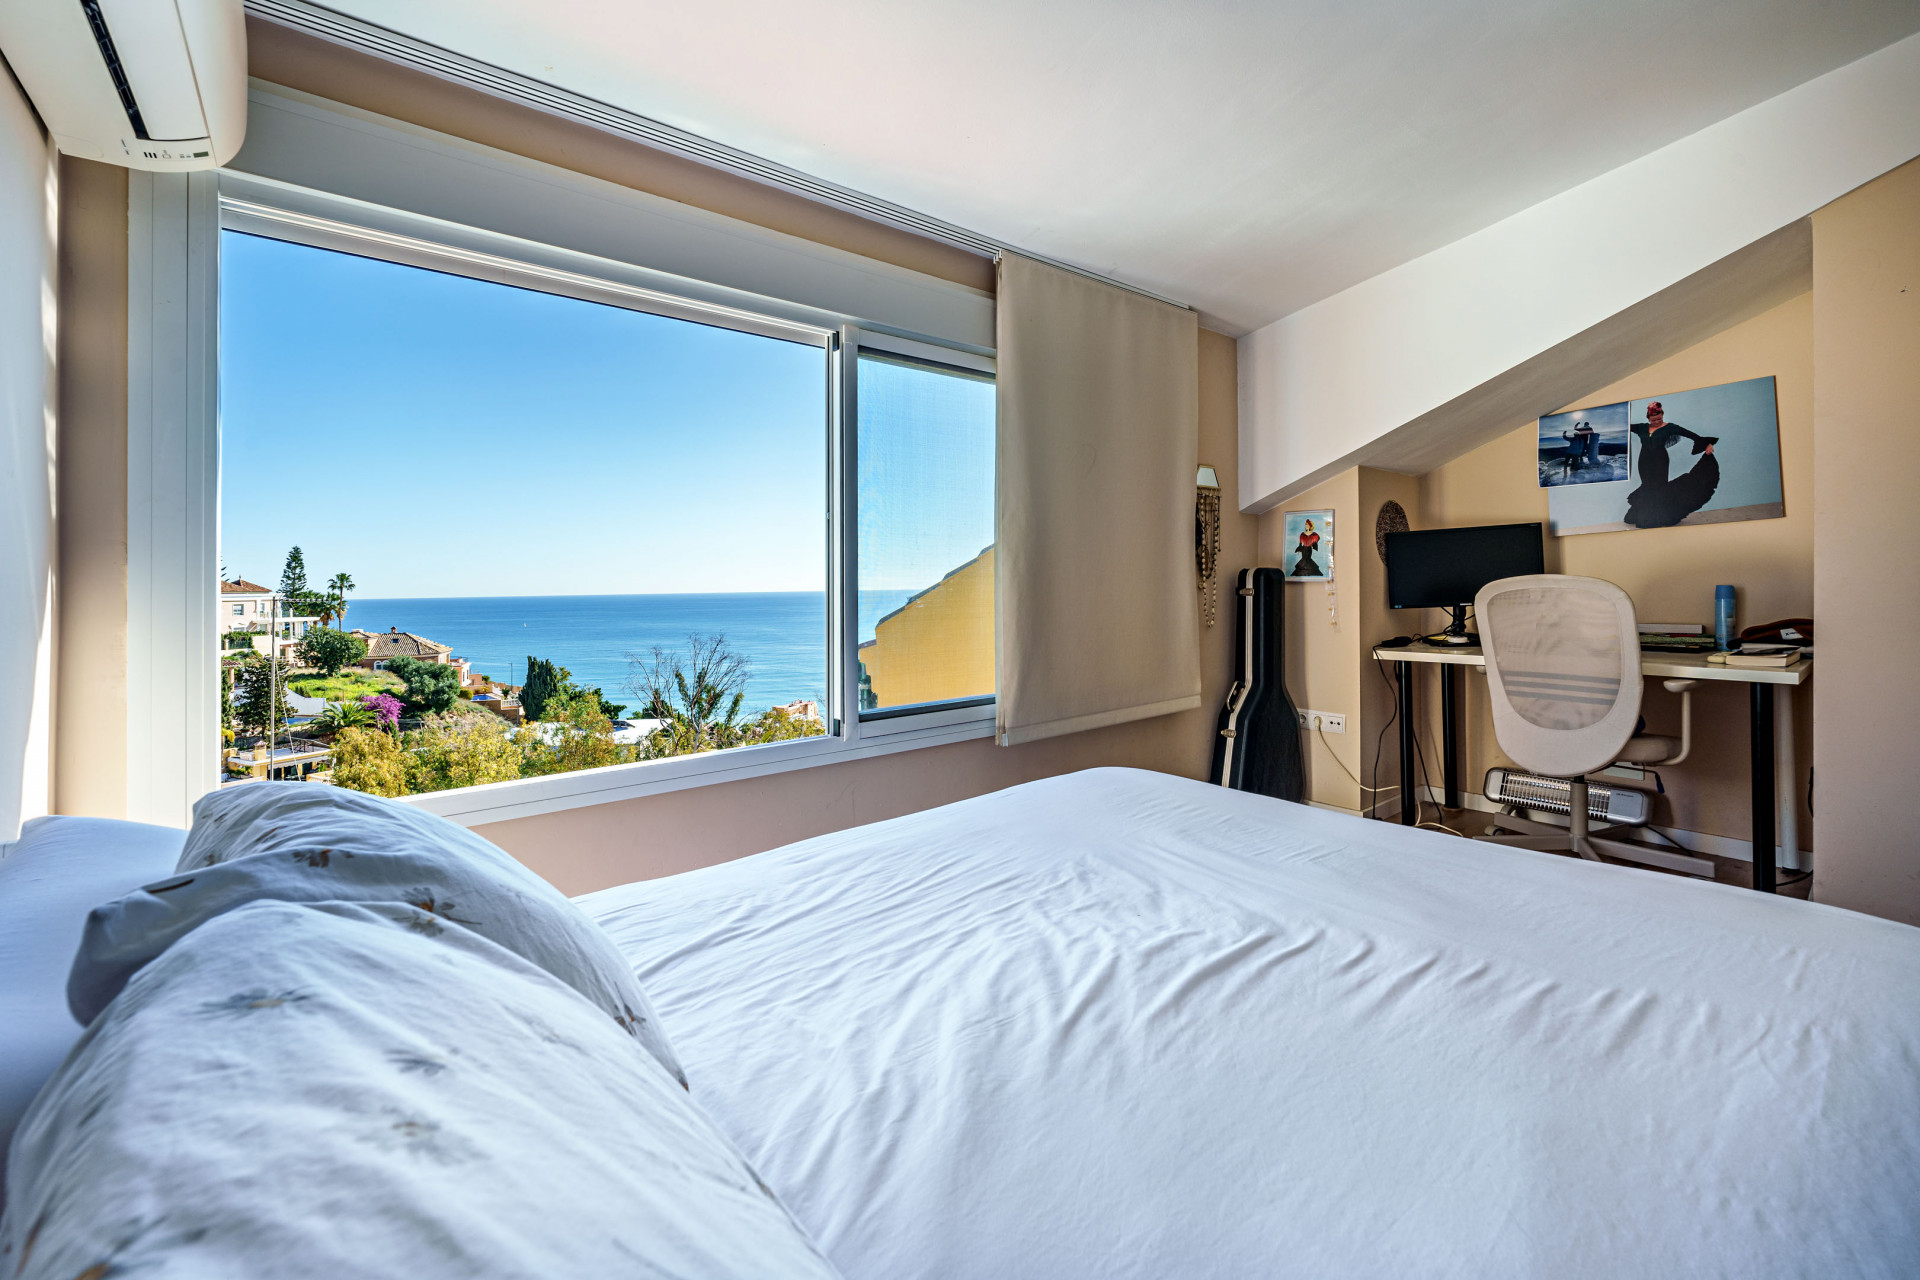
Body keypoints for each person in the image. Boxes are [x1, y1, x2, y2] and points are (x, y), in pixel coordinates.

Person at [1623, 400, 1719, 528]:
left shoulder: (1670, 427)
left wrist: (1707, 443)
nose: (1657, 422)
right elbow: (1623, 426)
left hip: (1660, 461)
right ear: (1648, 418)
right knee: (1647, 486)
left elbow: (1689, 434)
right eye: (1653, 420)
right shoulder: (1641, 427)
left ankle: (1657, 517)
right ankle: (1641, 514)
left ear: (1662, 415)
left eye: (1659, 419)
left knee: (1659, 487)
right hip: (1644, 461)